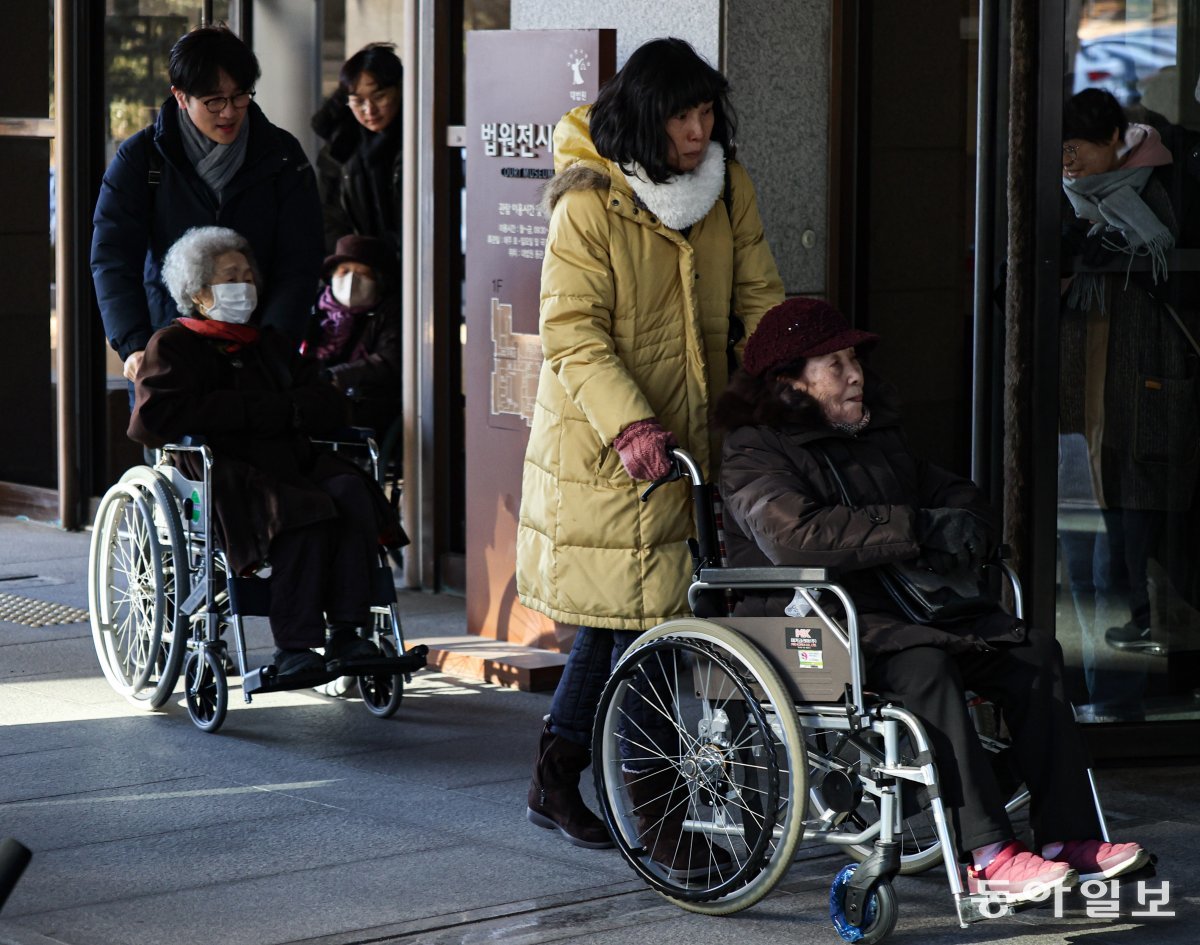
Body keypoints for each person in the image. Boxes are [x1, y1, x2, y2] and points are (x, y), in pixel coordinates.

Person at [714, 296, 1151, 902]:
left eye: (855, 359)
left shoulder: (874, 436)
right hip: (814, 622)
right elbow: (792, 536)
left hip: (901, 609)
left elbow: (949, 492)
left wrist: (963, 522)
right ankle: (990, 854)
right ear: (789, 379)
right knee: (928, 669)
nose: (855, 373)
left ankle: (1067, 838)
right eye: (834, 363)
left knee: (1033, 654)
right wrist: (917, 528)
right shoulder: (752, 450)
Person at [516, 37, 784, 865]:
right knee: (628, 623)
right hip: (608, 447)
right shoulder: (590, 201)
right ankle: (644, 805)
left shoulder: (724, 187)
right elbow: (572, 331)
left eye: (706, 112)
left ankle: (564, 776)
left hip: (696, 440)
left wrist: (790, 381)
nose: (698, 130)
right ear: (642, 115)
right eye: (680, 115)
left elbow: (760, 299)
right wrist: (632, 425)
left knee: (640, 622)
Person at [127, 226, 404, 680]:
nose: (246, 285)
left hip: (288, 459)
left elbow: (329, 401)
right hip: (223, 470)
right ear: (198, 293)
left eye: (248, 276)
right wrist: (261, 411)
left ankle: (348, 632)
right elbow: (151, 421)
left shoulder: (268, 345)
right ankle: (294, 646)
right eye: (231, 277)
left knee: (353, 491)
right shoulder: (173, 346)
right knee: (304, 507)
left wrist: (282, 411)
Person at [1058, 88, 1197, 718]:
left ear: (1116, 137)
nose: (1067, 160)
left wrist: (1102, 248)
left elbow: (1162, 262)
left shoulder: (1155, 189)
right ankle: (1113, 689)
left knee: (1146, 541)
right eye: (1060, 148)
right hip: (1093, 393)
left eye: (1078, 146)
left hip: (1145, 389)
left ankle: (1133, 690)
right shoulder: (1072, 201)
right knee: (1104, 549)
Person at [91, 24, 324, 392]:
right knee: (177, 445)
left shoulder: (281, 155)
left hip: (259, 351)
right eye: (214, 100)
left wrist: (276, 344)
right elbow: (113, 257)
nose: (229, 112)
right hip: (168, 346)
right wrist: (135, 344)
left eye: (240, 96)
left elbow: (300, 258)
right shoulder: (142, 158)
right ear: (181, 97)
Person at [301, 234, 402, 436]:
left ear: (378, 281)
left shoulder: (390, 313)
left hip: (364, 410)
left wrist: (336, 376)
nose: (351, 280)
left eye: (362, 274)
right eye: (344, 271)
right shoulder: (310, 306)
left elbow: (388, 362)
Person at [311, 43, 403, 258]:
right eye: (358, 101)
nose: (369, 110)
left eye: (379, 96)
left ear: (399, 90)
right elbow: (328, 218)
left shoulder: (418, 144)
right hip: (359, 268)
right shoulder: (340, 149)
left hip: (414, 270)